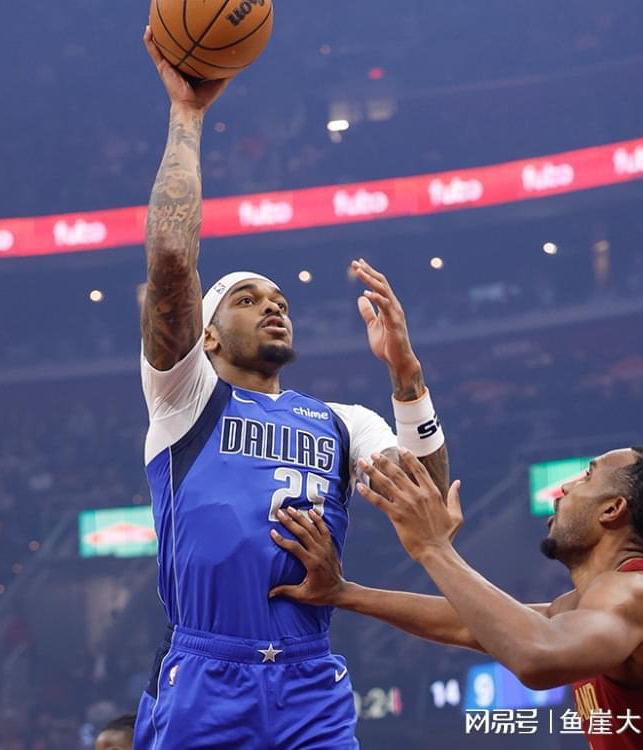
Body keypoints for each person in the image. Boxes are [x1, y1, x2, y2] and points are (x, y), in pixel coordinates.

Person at [133, 27, 450, 750]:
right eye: (248, 299)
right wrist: (187, 117)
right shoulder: (186, 398)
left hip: (310, 678)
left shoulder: (342, 422)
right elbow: (172, 261)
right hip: (207, 671)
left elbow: (434, 514)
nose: (273, 306)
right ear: (208, 335)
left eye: (279, 299)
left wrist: (406, 377)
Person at [273, 446, 643, 747]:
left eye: (585, 477)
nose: (563, 489)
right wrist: (343, 592)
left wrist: (434, 548)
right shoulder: (590, 606)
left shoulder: (637, 592)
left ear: (613, 510)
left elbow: (537, 657)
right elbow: (471, 624)